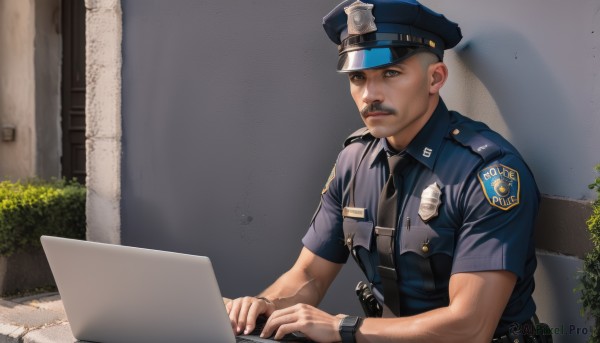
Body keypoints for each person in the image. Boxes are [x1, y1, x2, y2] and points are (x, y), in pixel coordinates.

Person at [226, 1, 542, 342]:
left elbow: (470, 327)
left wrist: (341, 328)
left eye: (390, 73)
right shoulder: (354, 161)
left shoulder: (486, 172)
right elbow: (309, 276)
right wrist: (262, 306)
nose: (369, 95)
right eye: (358, 77)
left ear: (435, 78)